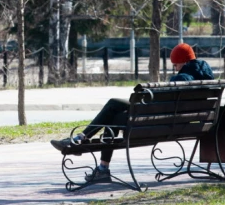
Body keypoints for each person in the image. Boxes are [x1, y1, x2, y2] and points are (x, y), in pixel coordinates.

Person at [50, 43, 215, 183]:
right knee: (113, 108)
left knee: (112, 110)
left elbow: (157, 103)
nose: (175, 67)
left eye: (176, 64)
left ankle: (85, 146)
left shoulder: (181, 79)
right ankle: (91, 155)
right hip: (179, 125)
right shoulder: (207, 79)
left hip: (150, 122)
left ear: (184, 62)